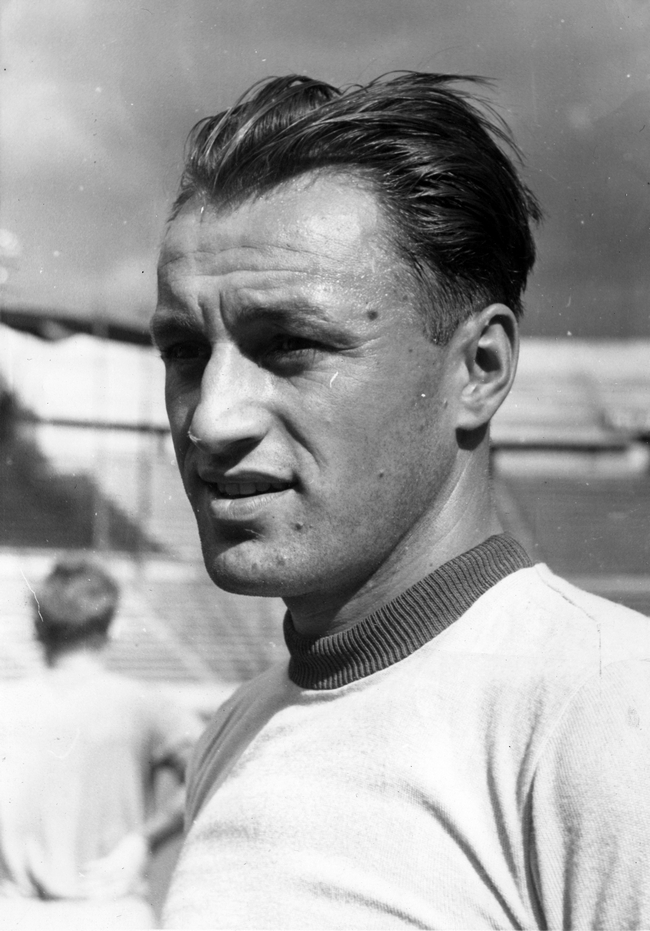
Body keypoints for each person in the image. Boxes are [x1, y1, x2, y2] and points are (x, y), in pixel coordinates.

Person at [152, 73, 650, 929]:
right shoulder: (235, 731)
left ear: (479, 369)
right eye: (186, 351)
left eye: (292, 343)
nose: (211, 417)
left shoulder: (609, 709)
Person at [0, 557, 203, 930]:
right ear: (113, 626)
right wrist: (144, 840)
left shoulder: (6, 705)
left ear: (37, 627)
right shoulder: (143, 702)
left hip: (14, 915)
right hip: (112, 913)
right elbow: (214, 770)